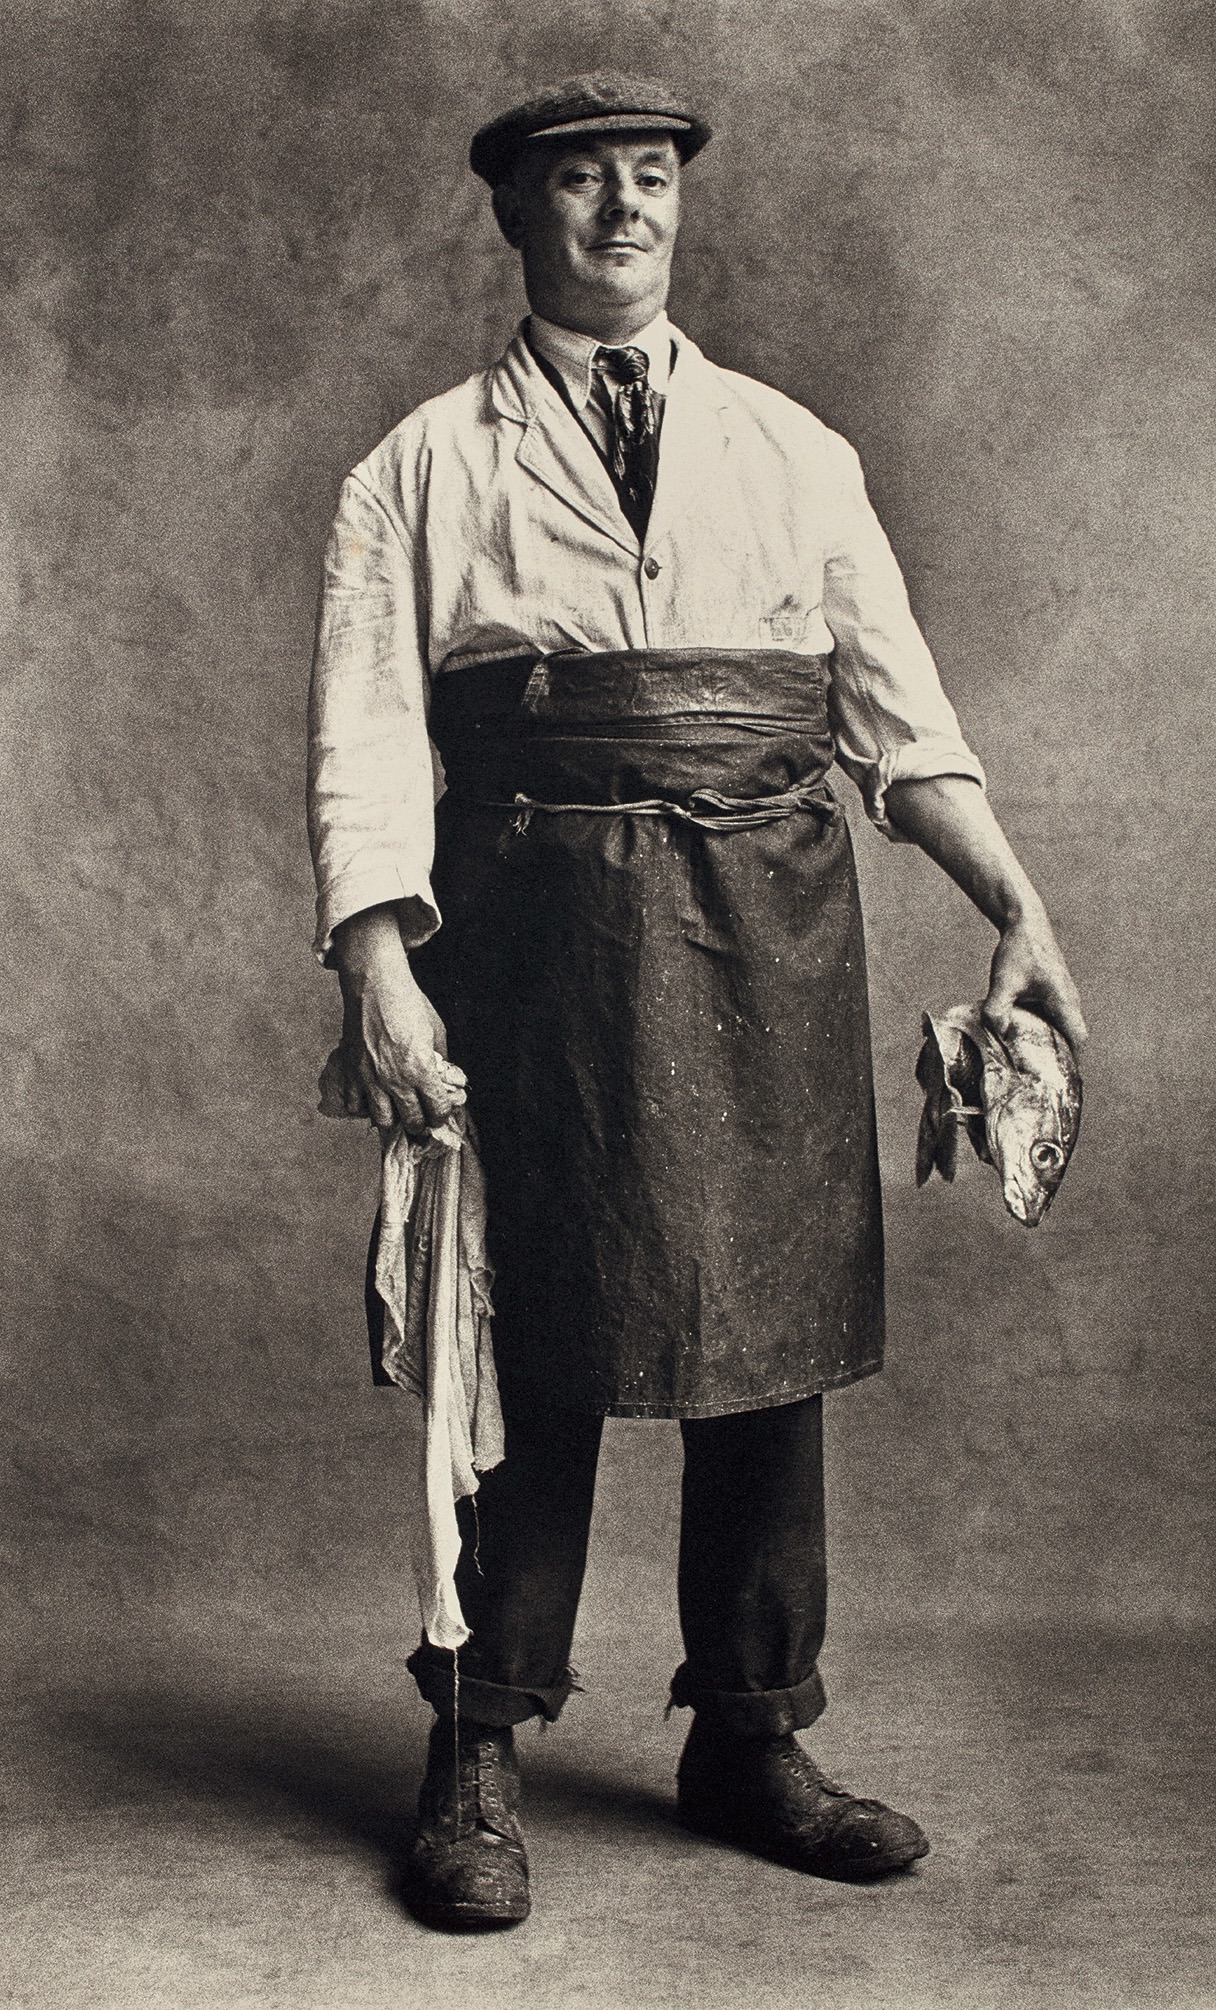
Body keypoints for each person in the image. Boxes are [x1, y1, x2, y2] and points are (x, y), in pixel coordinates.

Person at [307, 73, 1087, 1931]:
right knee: (534, 1336)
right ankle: (480, 1743)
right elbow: (361, 746)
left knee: (766, 1344)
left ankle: (749, 1731)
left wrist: (1022, 906)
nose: (623, 213)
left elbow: (901, 723)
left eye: (648, 179)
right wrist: (379, 977)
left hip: (774, 930)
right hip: (534, 944)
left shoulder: (797, 452)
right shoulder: (418, 467)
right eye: (582, 183)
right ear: (516, 216)